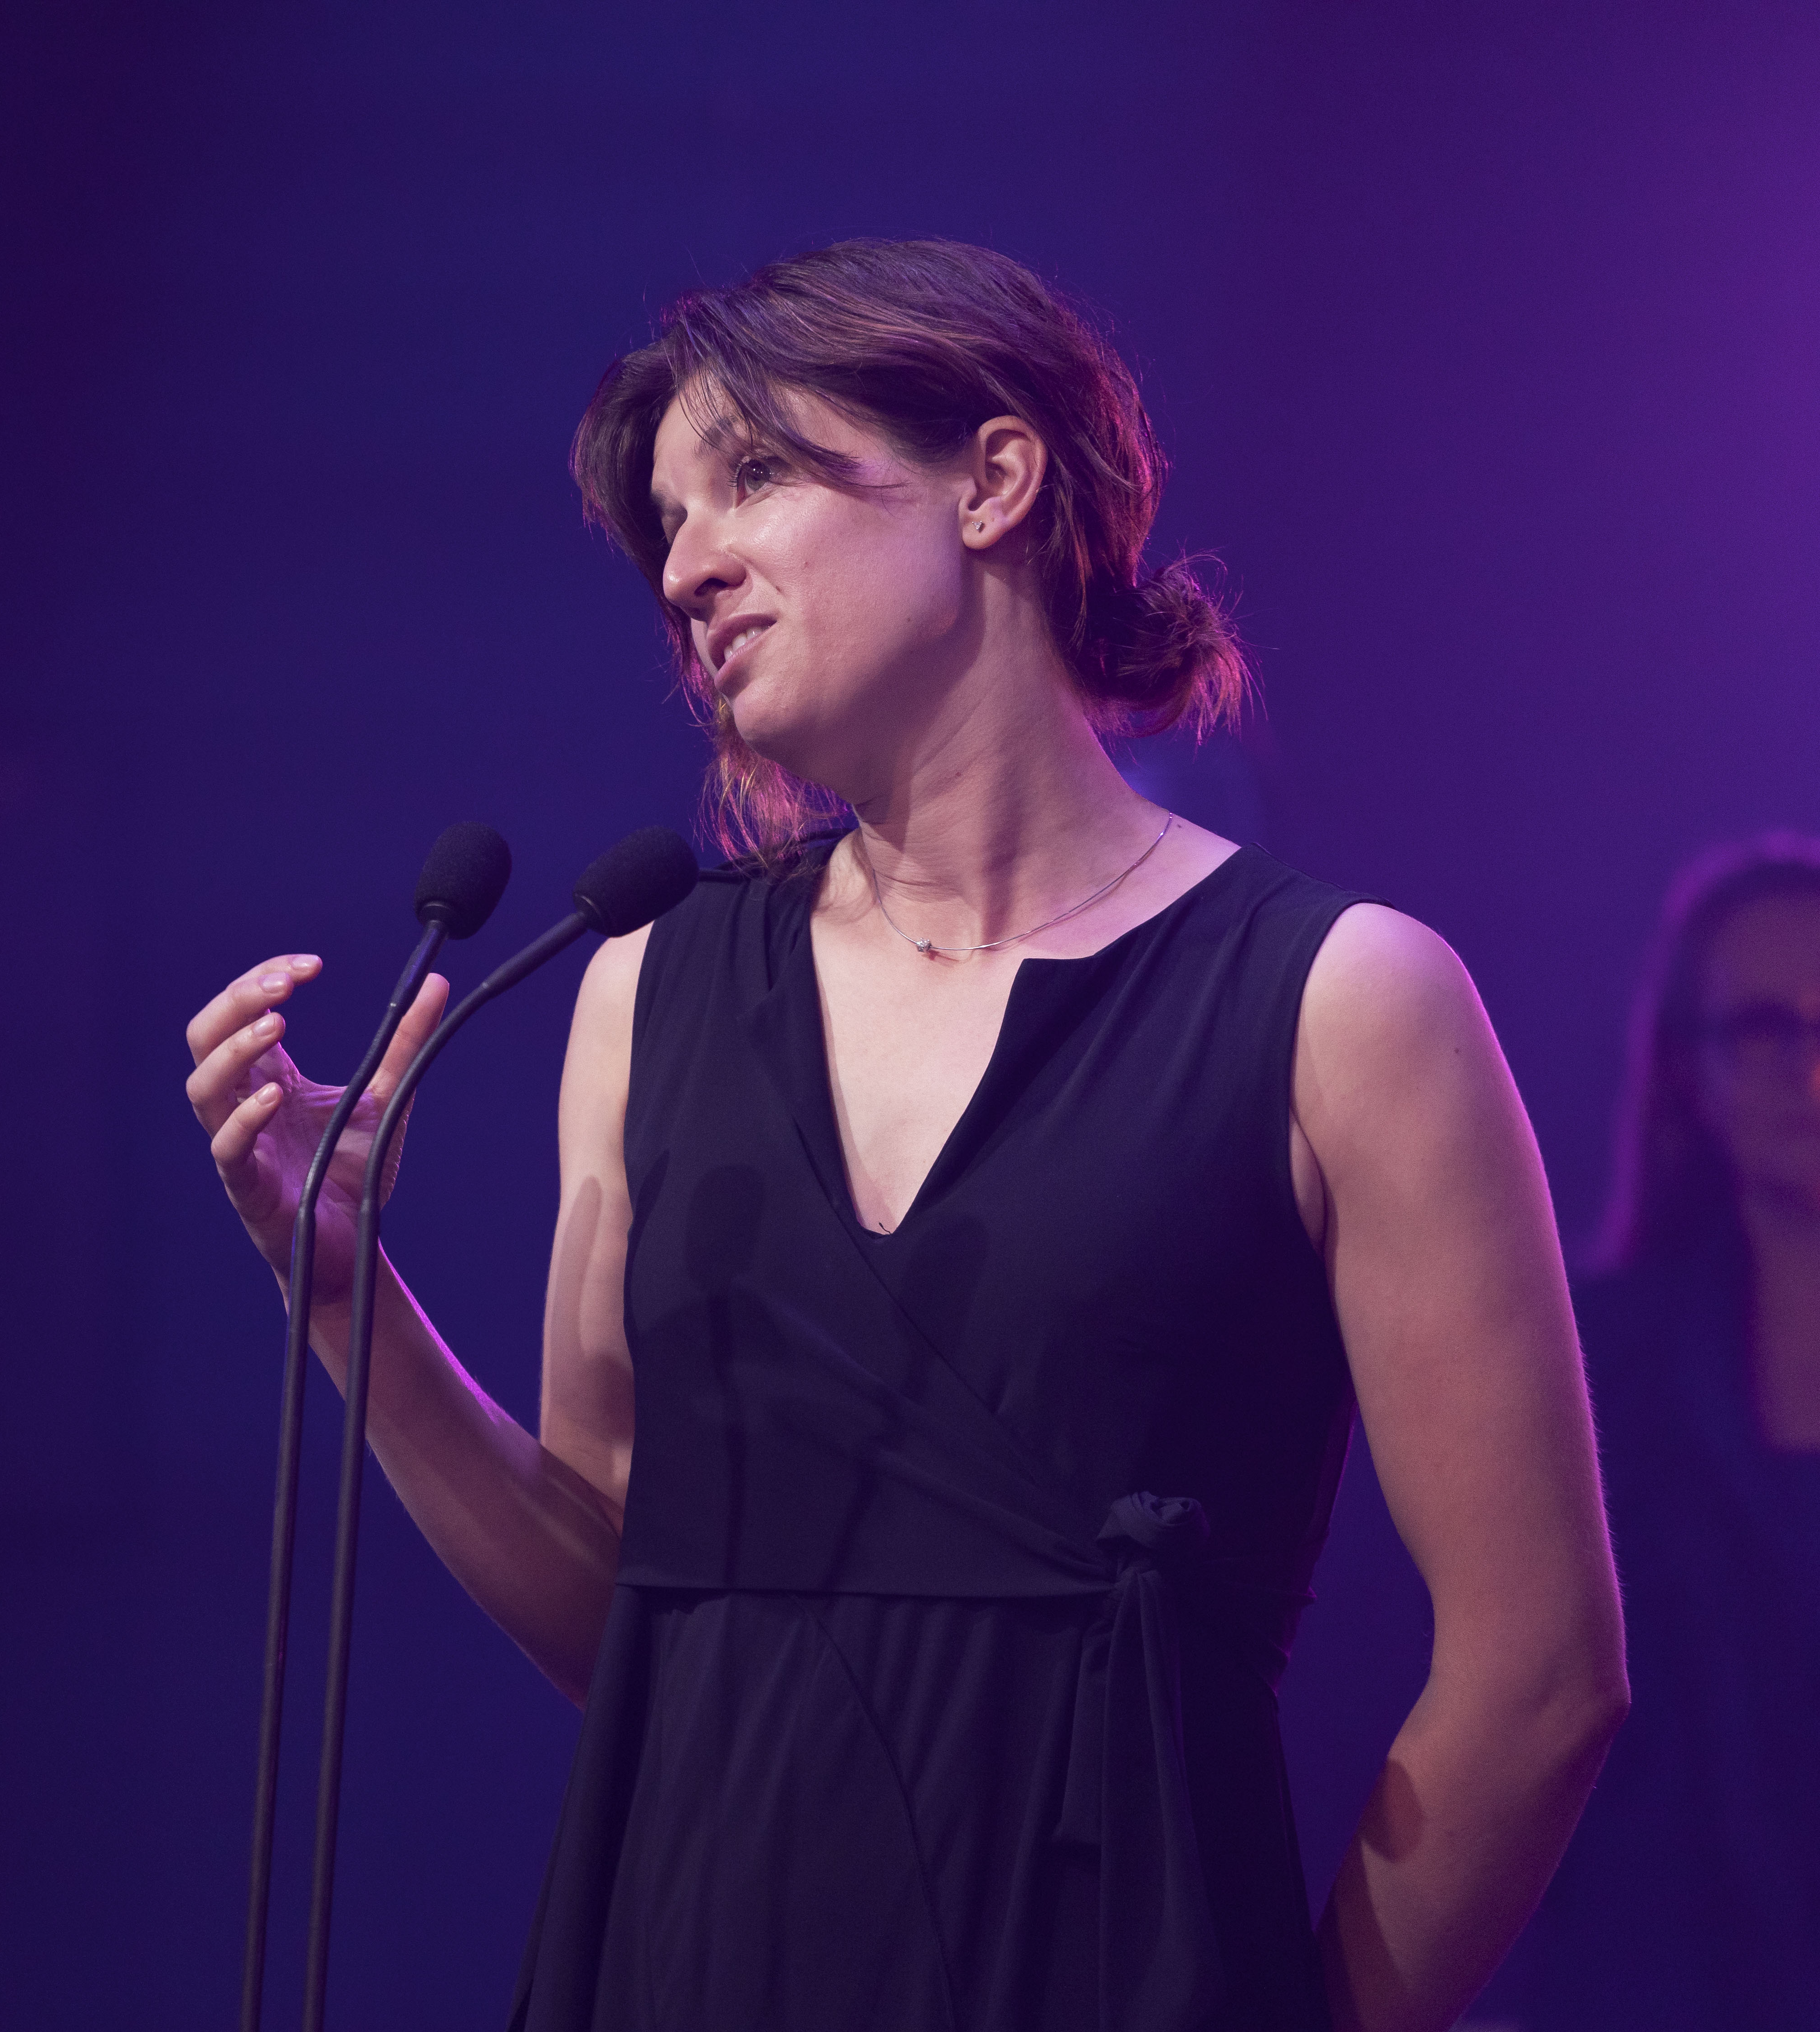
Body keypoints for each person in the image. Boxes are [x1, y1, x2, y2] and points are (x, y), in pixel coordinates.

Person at [182, 239, 1627, 2032]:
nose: (688, 566)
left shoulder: (1345, 1003)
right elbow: (615, 1611)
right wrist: (346, 1299)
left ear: (994, 481)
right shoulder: (647, 991)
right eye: (669, 526)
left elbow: (1542, 1677)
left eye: (754, 476)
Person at [1510, 836, 1820, 2030]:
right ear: (1689, 1069)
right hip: (1652, 1988)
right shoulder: (1589, 1364)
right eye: (1763, 1028)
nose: (1807, 1068)